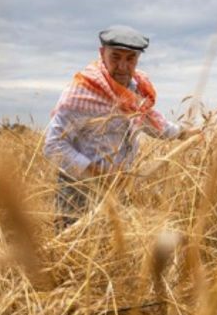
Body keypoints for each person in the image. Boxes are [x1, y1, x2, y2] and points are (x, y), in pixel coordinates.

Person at [44, 25, 199, 230]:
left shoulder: (134, 89)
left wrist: (183, 133)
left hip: (119, 189)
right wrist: (96, 175)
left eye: (130, 59)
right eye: (115, 57)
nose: (123, 66)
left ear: (137, 59)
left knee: (109, 253)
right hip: (78, 192)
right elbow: (53, 145)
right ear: (102, 54)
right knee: (71, 253)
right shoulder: (82, 91)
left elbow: (151, 122)